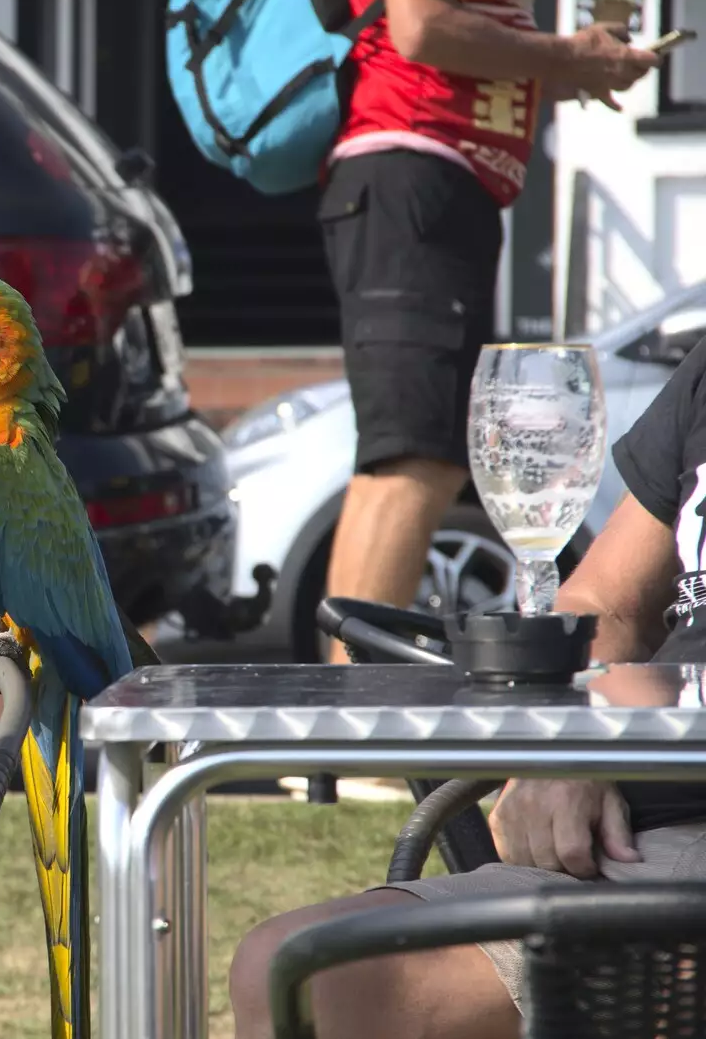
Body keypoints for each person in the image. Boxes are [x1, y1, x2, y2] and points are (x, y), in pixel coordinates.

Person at [226, 331, 706, 1037]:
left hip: (683, 845)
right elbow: (605, 603)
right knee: (283, 967)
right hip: (622, 839)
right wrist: (565, 750)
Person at [319, 0, 658, 664]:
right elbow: (420, 29)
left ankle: (349, 741)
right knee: (410, 457)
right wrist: (568, 52)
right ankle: (352, 743)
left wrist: (578, 69)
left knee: (422, 456)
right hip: (409, 174)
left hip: (441, 188)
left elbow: (479, 61)